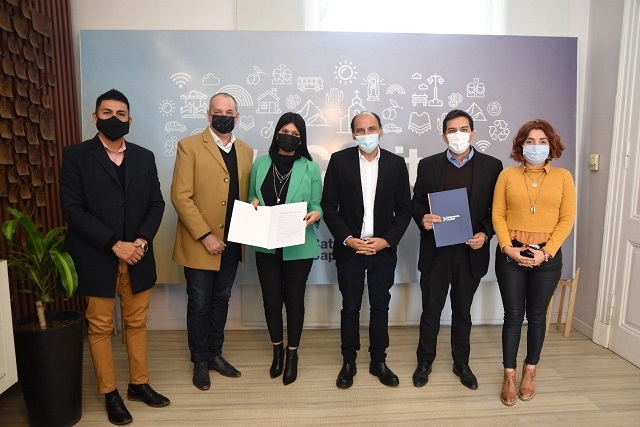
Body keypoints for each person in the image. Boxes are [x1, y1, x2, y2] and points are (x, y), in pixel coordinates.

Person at [60, 89, 169, 425]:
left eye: (121, 114)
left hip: (137, 256)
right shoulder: (76, 155)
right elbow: (73, 209)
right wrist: (113, 243)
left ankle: (139, 384)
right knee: (100, 327)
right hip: (97, 257)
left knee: (136, 323)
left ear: (130, 120)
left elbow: (156, 204)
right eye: (107, 113)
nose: (114, 119)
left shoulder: (144, 157)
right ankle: (110, 393)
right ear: (95, 117)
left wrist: (140, 241)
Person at [411, 109, 503, 390]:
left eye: (463, 129)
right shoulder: (428, 165)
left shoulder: (492, 166)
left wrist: (485, 233)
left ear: (472, 134)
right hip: (436, 251)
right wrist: (423, 218)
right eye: (452, 130)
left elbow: (498, 209)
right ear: (444, 136)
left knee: (463, 312)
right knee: (431, 311)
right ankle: (424, 361)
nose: (458, 135)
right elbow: (416, 202)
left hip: (470, 252)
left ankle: (461, 363)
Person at [321, 111, 411, 389]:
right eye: (360, 130)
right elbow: (329, 207)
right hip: (351, 248)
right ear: (353, 134)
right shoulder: (339, 161)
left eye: (372, 129)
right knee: (350, 306)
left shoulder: (396, 164)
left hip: (382, 249)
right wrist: (348, 238)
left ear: (381, 130)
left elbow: (404, 209)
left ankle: (378, 360)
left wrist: (386, 240)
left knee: (380, 305)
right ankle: (348, 361)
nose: (366, 134)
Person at [171, 93, 254, 391]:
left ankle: (215, 354)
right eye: (218, 111)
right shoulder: (189, 146)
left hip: (233, 242)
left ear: (237, 116)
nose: (224, 116)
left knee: (221, 300)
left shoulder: (246, 150)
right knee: (199, 303)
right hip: (201, 242)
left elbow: (245, 194)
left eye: (229, 112)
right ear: (208, 115)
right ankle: (199, 361)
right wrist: (205, 235)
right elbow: (181, 196)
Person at [492, 119, 576, 406]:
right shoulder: (507, 175)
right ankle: (509, 375)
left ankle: (530, 372)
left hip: (547, 256)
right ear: (521, 145)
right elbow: (498, 214)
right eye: (530, 141)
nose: (536, 146)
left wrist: (546, 252)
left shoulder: (563, 177)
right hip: (511, 254)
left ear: (551, 146)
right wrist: (507, 248)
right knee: (513, 315)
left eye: (542, 141)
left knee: (537, 316)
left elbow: (566, 218)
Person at [248, 112, 322, 385]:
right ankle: (277, 350)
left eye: (295, 134)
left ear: (301, 139)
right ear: (277, 133)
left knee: (294, 300)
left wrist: (316, 214)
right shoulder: (260, 163)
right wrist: (254, 201)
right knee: (270, 300)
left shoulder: (310, 167)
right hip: (266, 243)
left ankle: (292, 353)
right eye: (285, 131)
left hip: (298, 245)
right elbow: (251, 195)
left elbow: (316, 205)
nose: (289, 137)